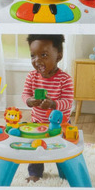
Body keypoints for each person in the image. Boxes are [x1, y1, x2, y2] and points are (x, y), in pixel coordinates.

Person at [22, 34, 74, 182]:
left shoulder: (65, 79)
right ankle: (35, 173)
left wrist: (53, 104)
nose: (37, 60)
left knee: (62, 150)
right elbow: (25, 94)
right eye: (33, 56)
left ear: (59, 56)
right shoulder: (31, 76)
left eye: (43, 55)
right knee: (36, 148)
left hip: (60, 124)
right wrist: (30, 101)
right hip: (37, 123)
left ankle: (65, 173)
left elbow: (68, 102)